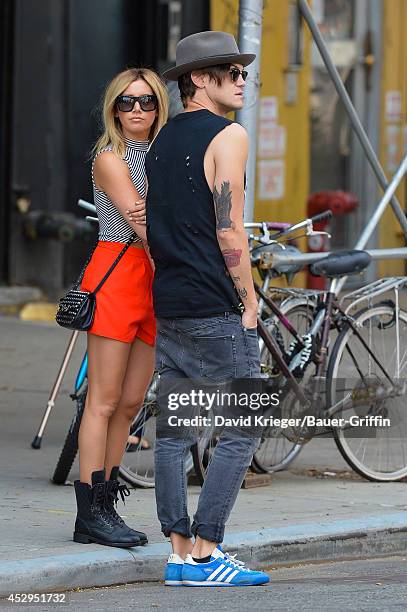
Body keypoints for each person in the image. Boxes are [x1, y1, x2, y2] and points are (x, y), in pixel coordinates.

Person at [140, 31, 270, 586]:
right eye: (230, 71)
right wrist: (249, 300)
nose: (242, 80)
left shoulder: (163, 140)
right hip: (216, 301)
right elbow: (229, 229)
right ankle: (206, 551)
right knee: (243, 425)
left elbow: (149, 222)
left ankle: (177, 554)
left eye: (243, 71)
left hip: (171, 300)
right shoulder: (230, 135)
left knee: (175, 431)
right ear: (199, 79)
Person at [73, 68, 169, 548]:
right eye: (127, 102)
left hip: (157, 277)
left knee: (131, 403)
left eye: (146, 102)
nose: (136, 110)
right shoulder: (109, 158)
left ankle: (107, 501)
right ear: (114, 108)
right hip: (120, 269)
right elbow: (141, 218)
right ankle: (89, 511)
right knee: (104, 400)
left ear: (159, 107)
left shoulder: (166, 154)